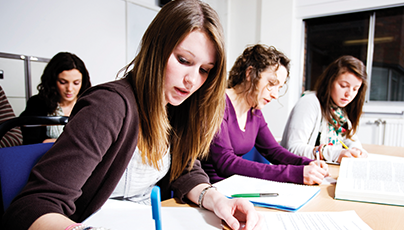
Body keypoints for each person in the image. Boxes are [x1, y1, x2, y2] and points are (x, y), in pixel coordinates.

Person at [1, 1, 262, 230]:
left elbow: (186, 169)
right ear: (155, 49)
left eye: (205, 69)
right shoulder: (109, 106)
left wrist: (218, 200)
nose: (192, 80)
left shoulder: (175, 107)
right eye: (183, 60)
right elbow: (32, 207)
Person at [201, 44, 328, 185]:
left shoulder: (255, 112)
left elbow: (274, 151)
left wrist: (308, 163)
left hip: (234, 187)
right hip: (211, 190)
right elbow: (226, 163)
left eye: (279, 87)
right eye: (271, 83)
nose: (275, 95)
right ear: (250, 73)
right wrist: (294, 173)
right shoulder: (217, 104)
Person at [281, 55, 369, 163]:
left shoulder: (339, 110)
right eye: (343, 85)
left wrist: (358, 151)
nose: (349, 94)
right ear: (330, 81)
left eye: (355, 89)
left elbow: (351, 140)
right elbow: (293, 149)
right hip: (298, 172)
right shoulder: (309, 103)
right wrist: (335, 154)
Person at [19, 52, 91, 144]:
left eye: (76, 83)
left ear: (83, 82)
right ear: (53, 81)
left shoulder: (88, 105)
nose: (69, 89)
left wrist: (52, 141)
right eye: (63, 82)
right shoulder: (37, 104)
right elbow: (31, 142)